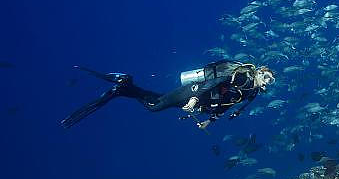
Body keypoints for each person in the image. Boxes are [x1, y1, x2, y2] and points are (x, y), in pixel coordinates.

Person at [61, 61, 275, 129]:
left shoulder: (250, 92)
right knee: (155, 106)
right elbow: (215, 81)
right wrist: (193, 98)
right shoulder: (243, 76)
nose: (267, 83)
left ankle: (124, 87)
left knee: (158, 99)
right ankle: (124, 86)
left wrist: (210, 120)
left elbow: (228, 105)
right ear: (260, 72)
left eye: (270, 82)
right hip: (195, 92)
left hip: (202, 102)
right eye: (266, 77)